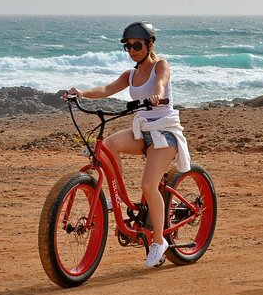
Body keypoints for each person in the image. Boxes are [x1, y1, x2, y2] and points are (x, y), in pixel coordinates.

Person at [68, 21, 190, 267]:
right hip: (142, 130)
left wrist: (156, 95)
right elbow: (106, 89)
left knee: (148, 185)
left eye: (136, 45)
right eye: (128, 46)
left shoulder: (160, 66)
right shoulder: (130, 75)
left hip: (164, 133)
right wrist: (80, 93)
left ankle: (159, 242)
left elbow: (160, 82)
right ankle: (114, 197)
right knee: (108, 145)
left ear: (149, 44)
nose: (132, 50)